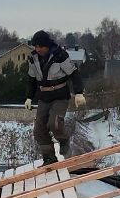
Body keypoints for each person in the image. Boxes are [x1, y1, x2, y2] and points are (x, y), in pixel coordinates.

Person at [24, 30, 84, 165]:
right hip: (44, 96)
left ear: (47, 45)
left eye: (40, 47)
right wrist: (29, 97)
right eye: (36, 47)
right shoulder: (33, 58)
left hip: (60, 95)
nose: (38, 49)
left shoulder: (60, 55)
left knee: (54, 123)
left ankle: (63, 140)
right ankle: (49, 158)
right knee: (39, 129)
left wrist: (79, 92)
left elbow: (74, 73)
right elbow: (31, 79)